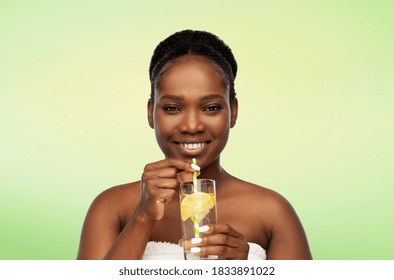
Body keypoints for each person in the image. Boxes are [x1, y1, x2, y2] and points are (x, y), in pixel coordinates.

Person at [77, 30, 312, 260]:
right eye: (172, 108)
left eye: (211, 108)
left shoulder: (271, 212)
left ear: (234, 112)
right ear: (151, 113)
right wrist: (142, 218)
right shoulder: (112, 208)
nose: (191, 126)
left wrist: (243, 270)